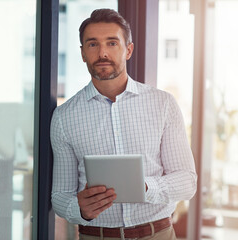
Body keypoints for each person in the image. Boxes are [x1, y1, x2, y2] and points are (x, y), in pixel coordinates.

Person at [50, 8, 197, 240]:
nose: (102, 53)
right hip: (95, 235)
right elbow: (60, 195)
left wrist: (145, 187)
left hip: (156, 234)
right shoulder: (64, 116)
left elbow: (187, 181)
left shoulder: (163, 104)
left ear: (128, 50)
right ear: (82, 53)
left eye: (112, 43)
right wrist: (79, 209)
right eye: (92, 44)